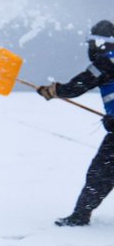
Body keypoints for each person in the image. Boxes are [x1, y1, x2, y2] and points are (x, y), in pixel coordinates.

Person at [37, 20, 114, 227]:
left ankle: (80, 216)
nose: (93, 49)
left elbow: (77, 87)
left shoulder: (106, 63)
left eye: (95, 44)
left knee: (101, 174)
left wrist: (53, 91)